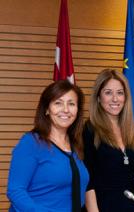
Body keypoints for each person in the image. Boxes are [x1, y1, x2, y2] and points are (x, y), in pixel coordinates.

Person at [7, 80, 89, 211]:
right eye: (58, 103)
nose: (66, 110)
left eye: (71, 104)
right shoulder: (31, 142)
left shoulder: (77, 144)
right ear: (46, 109)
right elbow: (15, 191)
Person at [83, 69, 134, 212]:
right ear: (98, 97)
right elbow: (88, 180)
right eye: (108, 92)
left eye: (120, 93)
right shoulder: (90, 130)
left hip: (130, 207)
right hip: (101, 206)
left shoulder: (132, 131)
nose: (115, 99)